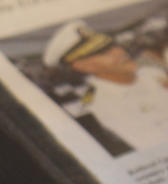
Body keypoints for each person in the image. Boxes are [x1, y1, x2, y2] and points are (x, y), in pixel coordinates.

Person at [43, 20, 168, 152]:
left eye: (113, 46)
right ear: (83, 66)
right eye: (104, 53)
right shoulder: (103, 106)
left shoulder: (151, 74)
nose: (120, 52)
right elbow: (154, 145)